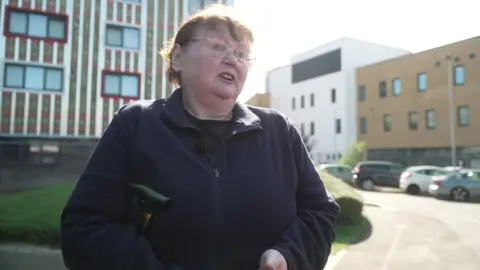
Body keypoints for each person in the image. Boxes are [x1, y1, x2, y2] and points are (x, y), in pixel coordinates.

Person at [60, 4, 340, 270]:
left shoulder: (279, 131)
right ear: (178, 58)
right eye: (219, 47)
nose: (233, 59)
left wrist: (289, 255)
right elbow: (85, 227)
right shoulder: (136, 124)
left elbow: (321, 212)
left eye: (242, 54)